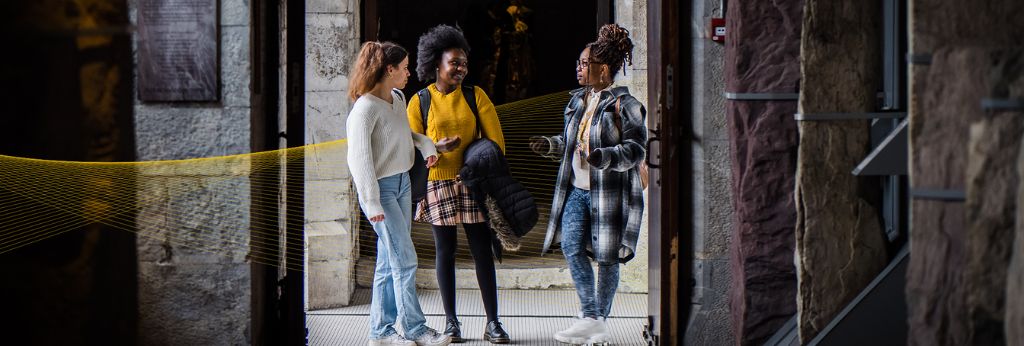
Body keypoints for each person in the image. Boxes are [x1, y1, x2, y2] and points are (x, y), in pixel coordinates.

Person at [530, 24, 647, 345]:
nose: (578, 68)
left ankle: (595, 322)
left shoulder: (627, 105)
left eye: (584, 63)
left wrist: (600, 156)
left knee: (607, 258)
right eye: (580, 63)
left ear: (603, 69)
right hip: (577, 192)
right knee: (570, 247)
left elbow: (636, 150)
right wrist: (550, 145)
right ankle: (592, 317)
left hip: (609, 195)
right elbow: (571, 143)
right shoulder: (578, 101)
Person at [407, 24, 511, 344]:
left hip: (472, 183)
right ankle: (452, 323)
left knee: (482, 250)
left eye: (464, 63)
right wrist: (434, 150)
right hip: (438, 184)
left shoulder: (475, 95)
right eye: (454, 62)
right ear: (437, 64)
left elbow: (497, 144)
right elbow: (412, 146)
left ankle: (493, 323)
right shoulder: (420, 101)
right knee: (445, 251)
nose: (461, 68)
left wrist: (477, 163)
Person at [346, 41, 452, 346]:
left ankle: (380, 332)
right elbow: (359, 159)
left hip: (403, 184)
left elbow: (402, 133)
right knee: (404, 260)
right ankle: (416, 329)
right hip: (381, 191)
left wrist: (425, 145)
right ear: (388, 69)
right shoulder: (364, 109)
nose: (409, 73)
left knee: (388, 260)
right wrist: (371, 201)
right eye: (404, 68)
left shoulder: (396, 97)